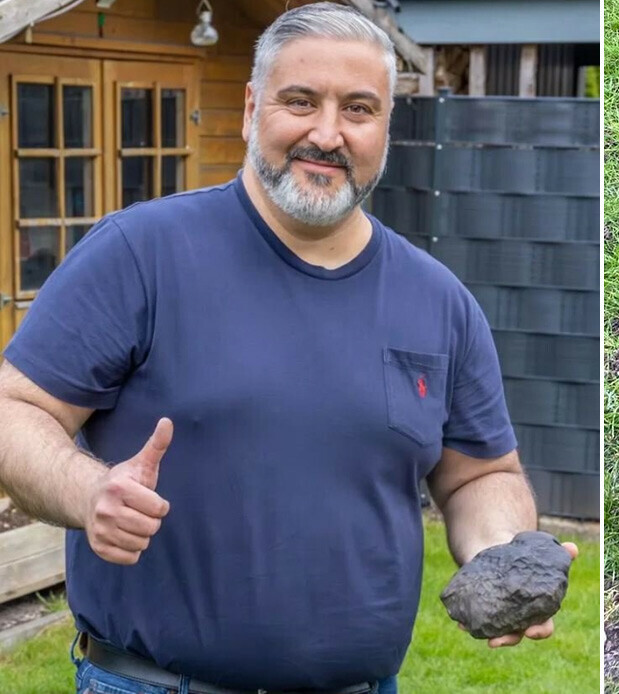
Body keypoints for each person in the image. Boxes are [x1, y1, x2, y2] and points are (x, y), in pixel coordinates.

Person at [0, 4, 575, 692]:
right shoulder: (141, 254)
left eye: (359, 109)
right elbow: (16, 409)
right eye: (300, 101)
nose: (326, 134)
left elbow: (480, 475)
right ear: (251, 109)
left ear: (387, 127)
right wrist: (89, 490)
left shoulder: (438, 301)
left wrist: (502, 554)